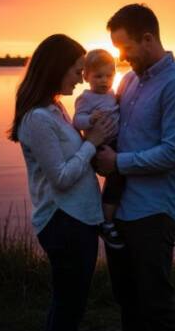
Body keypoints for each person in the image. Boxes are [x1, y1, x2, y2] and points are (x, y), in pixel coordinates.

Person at [96, 3, 175, 331]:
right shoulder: (127, 81)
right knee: (127, 300)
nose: (121, 56)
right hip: (119, 210)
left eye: (125, 47)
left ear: (147, 38)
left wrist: (118, 162)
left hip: (153, 211)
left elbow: (174, 153)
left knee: (155, 305)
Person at [8, 34, 118, 331]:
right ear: (57, 68)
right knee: (68, 306)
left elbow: (74, 161)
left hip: (79, 219)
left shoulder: (56, 109)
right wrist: (91, 143)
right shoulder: (38, 119)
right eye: (77, 71)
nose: (82, 80)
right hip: (63, 221)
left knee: (72, 304)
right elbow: (60, 178)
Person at [72, 48, 125, 250]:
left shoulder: (112, 94)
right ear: (86, 76)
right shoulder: (86, 98)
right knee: (116, 176)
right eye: (98, 76)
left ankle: (110, 213)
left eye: (109, 76)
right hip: (98, 146)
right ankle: (106, 221)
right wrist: (90, 119)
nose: (104, 81)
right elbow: (77, 121)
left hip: (115, 142)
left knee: (121, 175)